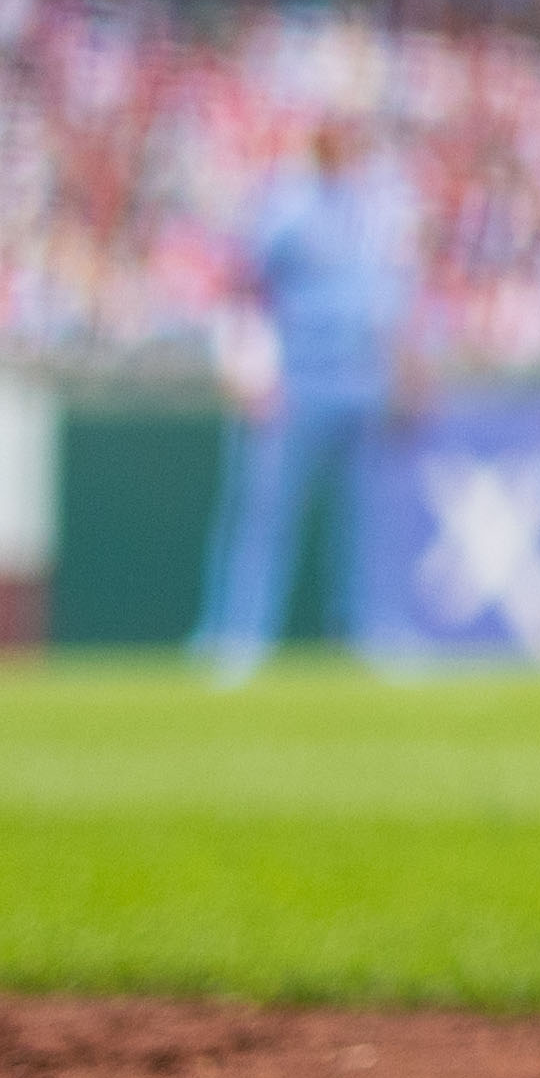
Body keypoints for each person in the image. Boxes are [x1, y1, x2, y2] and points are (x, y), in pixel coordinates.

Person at [196, 112, 417, 681]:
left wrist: (407, 371)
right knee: (265, 519)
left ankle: (374, 632)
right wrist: (246, 364)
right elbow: (245, 288)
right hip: (295, 385)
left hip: (363, 382)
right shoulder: (286, 205)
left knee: (371, 522)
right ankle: (237, 640)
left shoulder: (378, 208)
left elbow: (391, 302)